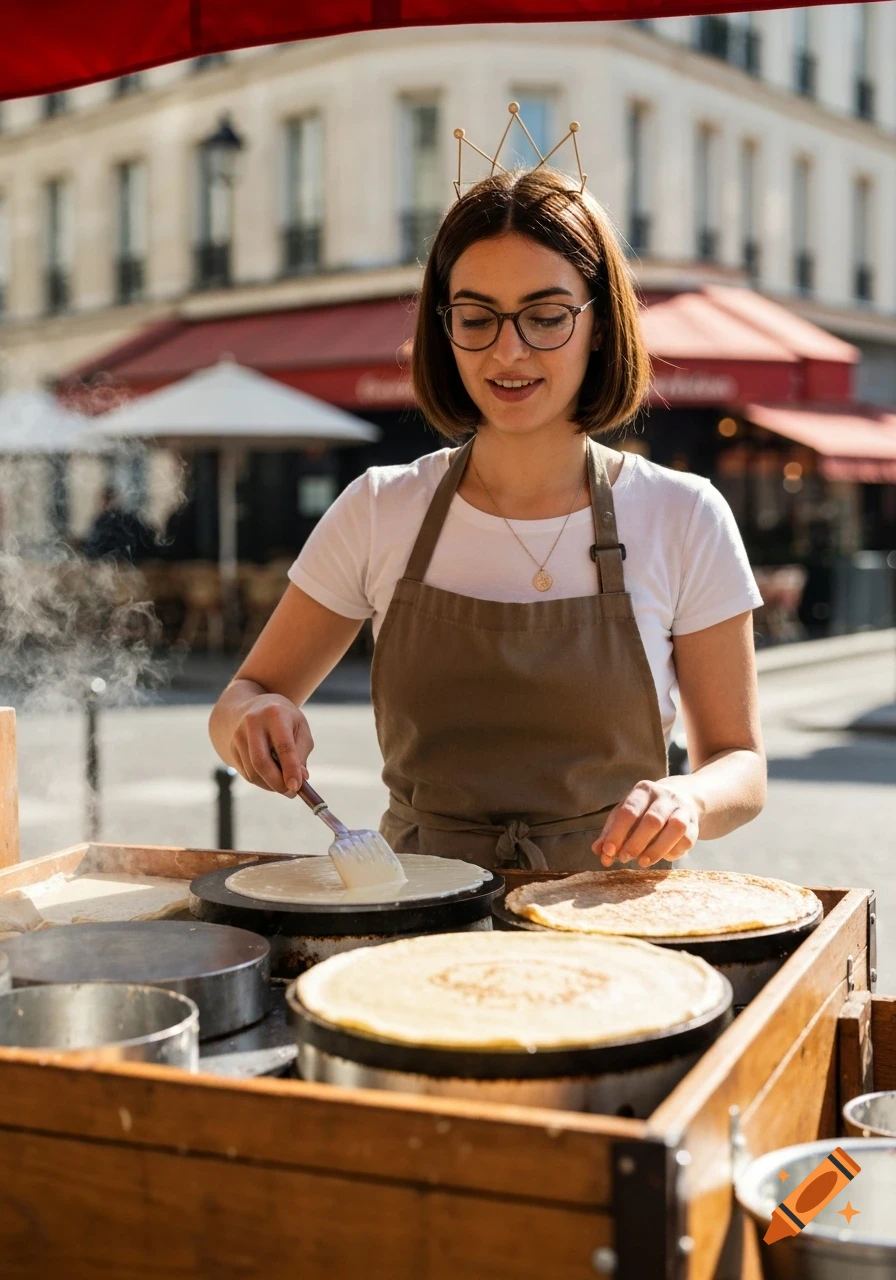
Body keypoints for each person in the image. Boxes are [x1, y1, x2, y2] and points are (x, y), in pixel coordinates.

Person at [209, 158, 766, 873]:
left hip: (618, 927)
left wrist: (688, 799)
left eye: (545, 317)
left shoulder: (684, 513)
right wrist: (252, 721)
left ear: (599, 325)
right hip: (413, 915)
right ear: (445, 329)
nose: (509, 351)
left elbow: (739, 762)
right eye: (476, 318)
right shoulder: (380, 508)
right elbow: (244, 696)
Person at [82, 486, 155, 564]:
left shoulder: (126, 520)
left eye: (108, 500)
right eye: (104, 500)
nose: (105, 505)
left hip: (125, 564)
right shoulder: (100, 521)